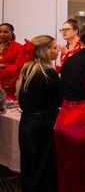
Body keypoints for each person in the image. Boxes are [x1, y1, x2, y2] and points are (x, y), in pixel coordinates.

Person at [54, 23, 85, 192]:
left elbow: (62, 90)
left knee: (66, 166)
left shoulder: (70, 59)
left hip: (64, 116)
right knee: (84, 169)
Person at [16, 35, 62, 192]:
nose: (58, 51)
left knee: (29, 164)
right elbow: (57, 101)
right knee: (43, 166)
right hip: (43, 125)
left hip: (26, 122)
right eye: (55, 48)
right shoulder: (49, 73)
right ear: (45, 51)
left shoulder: (26, 70)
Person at [0, 23, 23, 97]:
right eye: (0, 32)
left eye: (5, 32)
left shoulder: (19, 48)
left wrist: (4, 66)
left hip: (8, 85)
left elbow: (20, 67)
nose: (2, 34)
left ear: (11, 33)